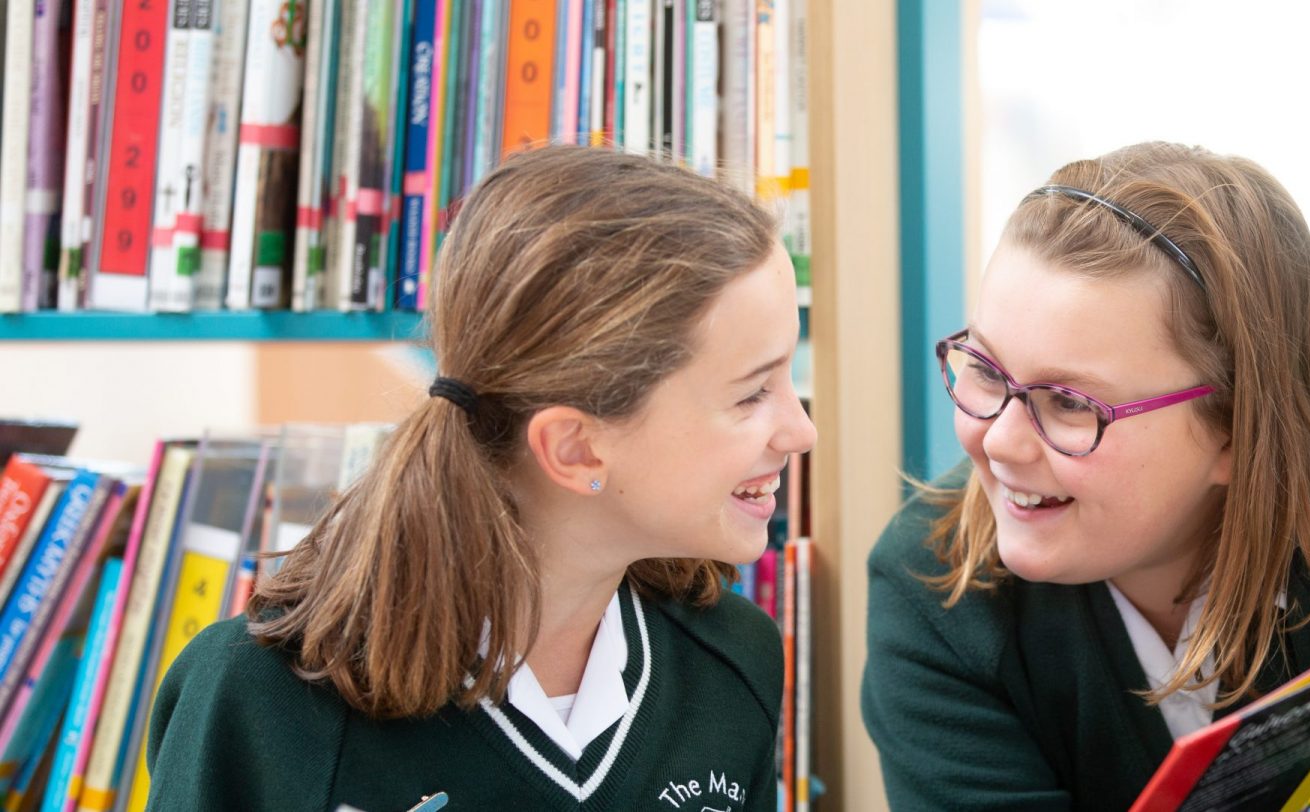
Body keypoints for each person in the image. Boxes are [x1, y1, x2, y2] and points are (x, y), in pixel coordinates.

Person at [861, 141, 1310, 810]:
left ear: (1240, 427)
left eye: (1072, 404)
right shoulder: (932, 580)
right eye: (985, 370)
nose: (1002, 442)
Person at [146, 145, 815, 811]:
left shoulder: (732, 663)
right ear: (576, 448)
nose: (802, 431)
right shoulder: (255, 704)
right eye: (752, 393)